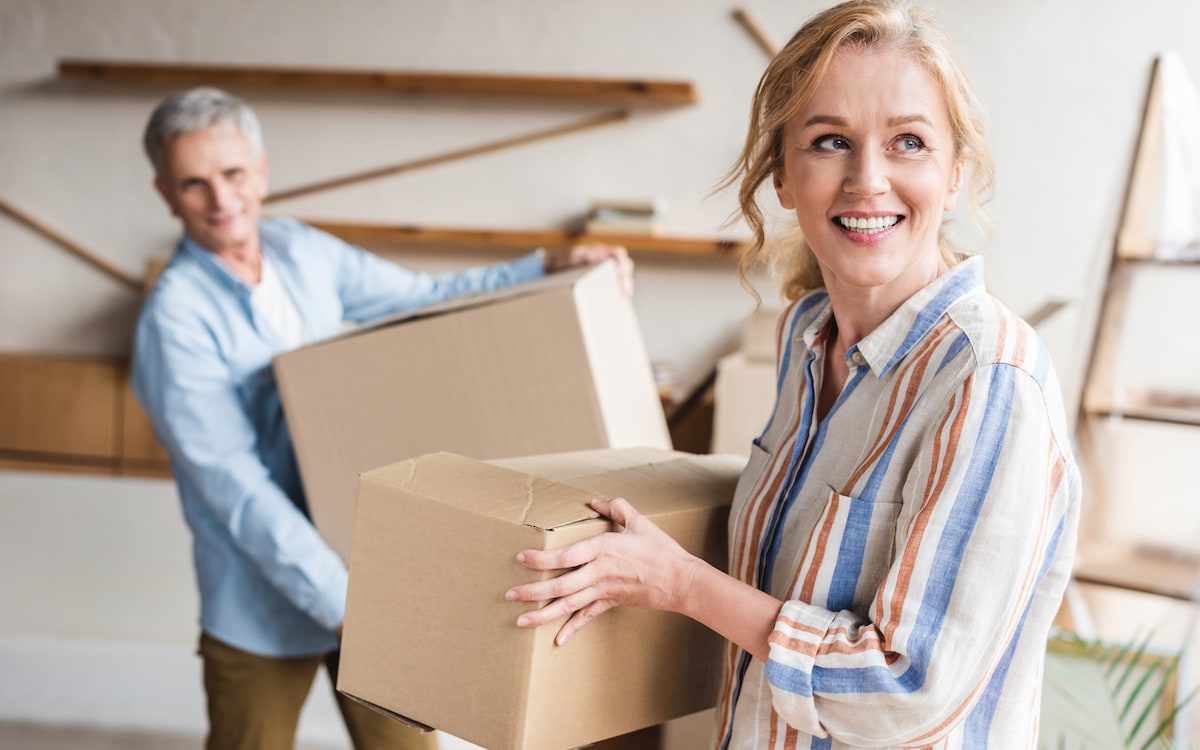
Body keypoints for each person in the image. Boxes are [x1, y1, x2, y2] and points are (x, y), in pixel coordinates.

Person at [505, 1, 1081, 747]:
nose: (867, 180)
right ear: (782, 173)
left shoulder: (988, 380)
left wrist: (681, 585)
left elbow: (906, 689)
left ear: (955, 172)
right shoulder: (805, 339)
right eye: (830, 141)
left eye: (908, 141)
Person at [131, 87, 632, 750]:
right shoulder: (176, 317)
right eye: (194, 184)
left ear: (261, 171)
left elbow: (422, 299)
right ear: (165, 193)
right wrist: (345, 605)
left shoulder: (300, 251)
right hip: (260, 602)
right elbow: (236, 489)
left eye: (232, 175)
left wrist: (544, 264)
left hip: (365, 566)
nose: (221, 201)